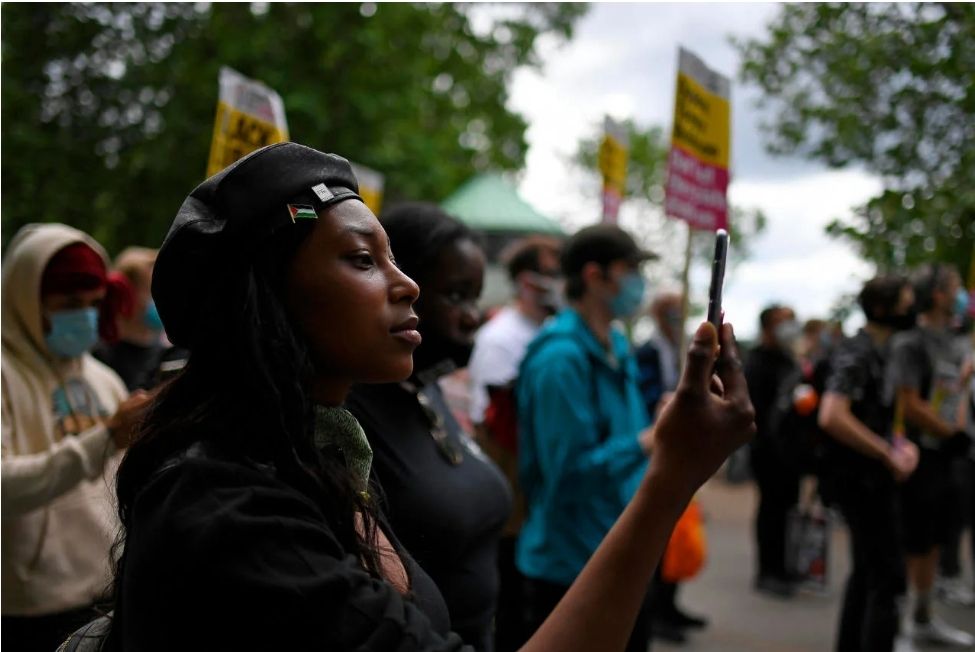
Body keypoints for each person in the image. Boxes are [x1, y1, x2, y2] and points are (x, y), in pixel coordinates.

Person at [92, 142, 755, 652]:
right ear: (266, 296)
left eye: (394, 259)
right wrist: (666, 477)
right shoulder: (229, 515)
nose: (407, 285)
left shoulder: (318, 457)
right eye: (361, 260)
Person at [345, 202, 512, 652]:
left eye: (475, 297)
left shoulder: (425, 386)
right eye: (455, 295)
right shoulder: (347, 418)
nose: (472, 316)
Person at [1, 224, 152, 652]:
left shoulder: (103, 380)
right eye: (69, 303)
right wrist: (104, 439)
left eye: (93, 303)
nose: (84, 316)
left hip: (104, 596)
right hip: (24, 610)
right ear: (26, 301)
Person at [515, 223, 659, 652]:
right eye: (630, 269)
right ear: (595, 276)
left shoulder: (615, 343)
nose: (639, 282)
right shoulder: (560, 360)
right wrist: (649, 442)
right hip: (571, 570)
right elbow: (570, 476)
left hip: (621, 555)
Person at [466, 235, 563, 652]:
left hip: (533, 492)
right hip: (510, 492)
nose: (560, 282)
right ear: (527, 282)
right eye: (551, 273)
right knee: (511, 602)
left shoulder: (549, 333)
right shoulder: (500, 337)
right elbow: (497, 427)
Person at [817, 274, 920, 652]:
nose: (912, 310)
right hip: (861, 481)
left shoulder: (880, 349)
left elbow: (874, 413)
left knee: (867, 574)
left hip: (868, 478)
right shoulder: (859, 351)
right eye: (906, 303)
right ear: (882, 308)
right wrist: (884, 452)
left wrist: (899, 445)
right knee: (887, 577)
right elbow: (832, 415)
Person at [888, 263, 975, 648]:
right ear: (938, 294)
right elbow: (909, 402)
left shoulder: (955, 341)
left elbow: (955, 394)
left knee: (938, 537)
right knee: (915, 539)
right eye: (956, 287)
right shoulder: (911, 342)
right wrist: (948, 432)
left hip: (947, 457)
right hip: (917, 456)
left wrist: (956, 430)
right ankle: (903, 624)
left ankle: (923, 616)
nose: (962, 295)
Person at [635, 291, 709, 644]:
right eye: (672, 313)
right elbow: (649, 397)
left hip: (682, 451)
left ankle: (670, 603)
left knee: (681, 532)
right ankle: (658, 610)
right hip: (655, 452)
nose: (678, 318)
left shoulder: (682, 350)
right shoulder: (648, 353)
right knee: (661, 534)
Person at [745, 304, 803, 598]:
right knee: (771, 510)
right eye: (783, 322)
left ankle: (782, 567)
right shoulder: (756, 362)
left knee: (785, 511)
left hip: (790, 453)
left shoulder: (788, 360)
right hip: (767, 453)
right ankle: (767, 571)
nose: (790, 327)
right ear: (767, 327)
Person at [94, 247, 167, 391]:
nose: (164, 301)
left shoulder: (166, 352)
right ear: (125, 295)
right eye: (152, 292)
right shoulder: (102, 356)